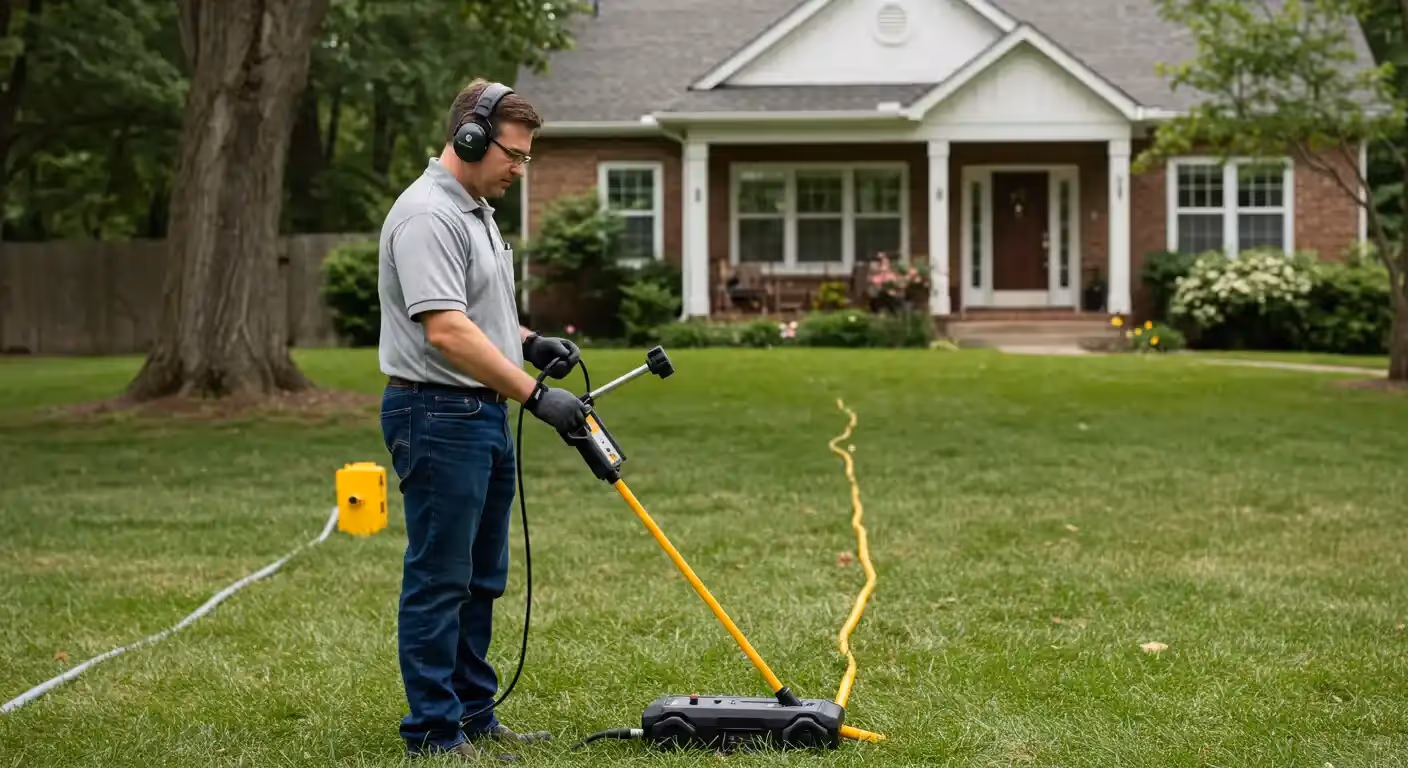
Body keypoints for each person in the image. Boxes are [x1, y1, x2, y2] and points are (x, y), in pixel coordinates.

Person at [376, 78, 587, 761]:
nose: (520, 170)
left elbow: (474, 314)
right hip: (437, 413)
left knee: (481, 577)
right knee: (441, 578)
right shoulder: (427, 216)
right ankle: (433, 732)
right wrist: (534, 394)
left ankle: (473, 714)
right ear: (469, 137)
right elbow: (447, 333)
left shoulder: (474, 210)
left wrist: (527, 341)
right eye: (514, 155)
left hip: (479, 414)